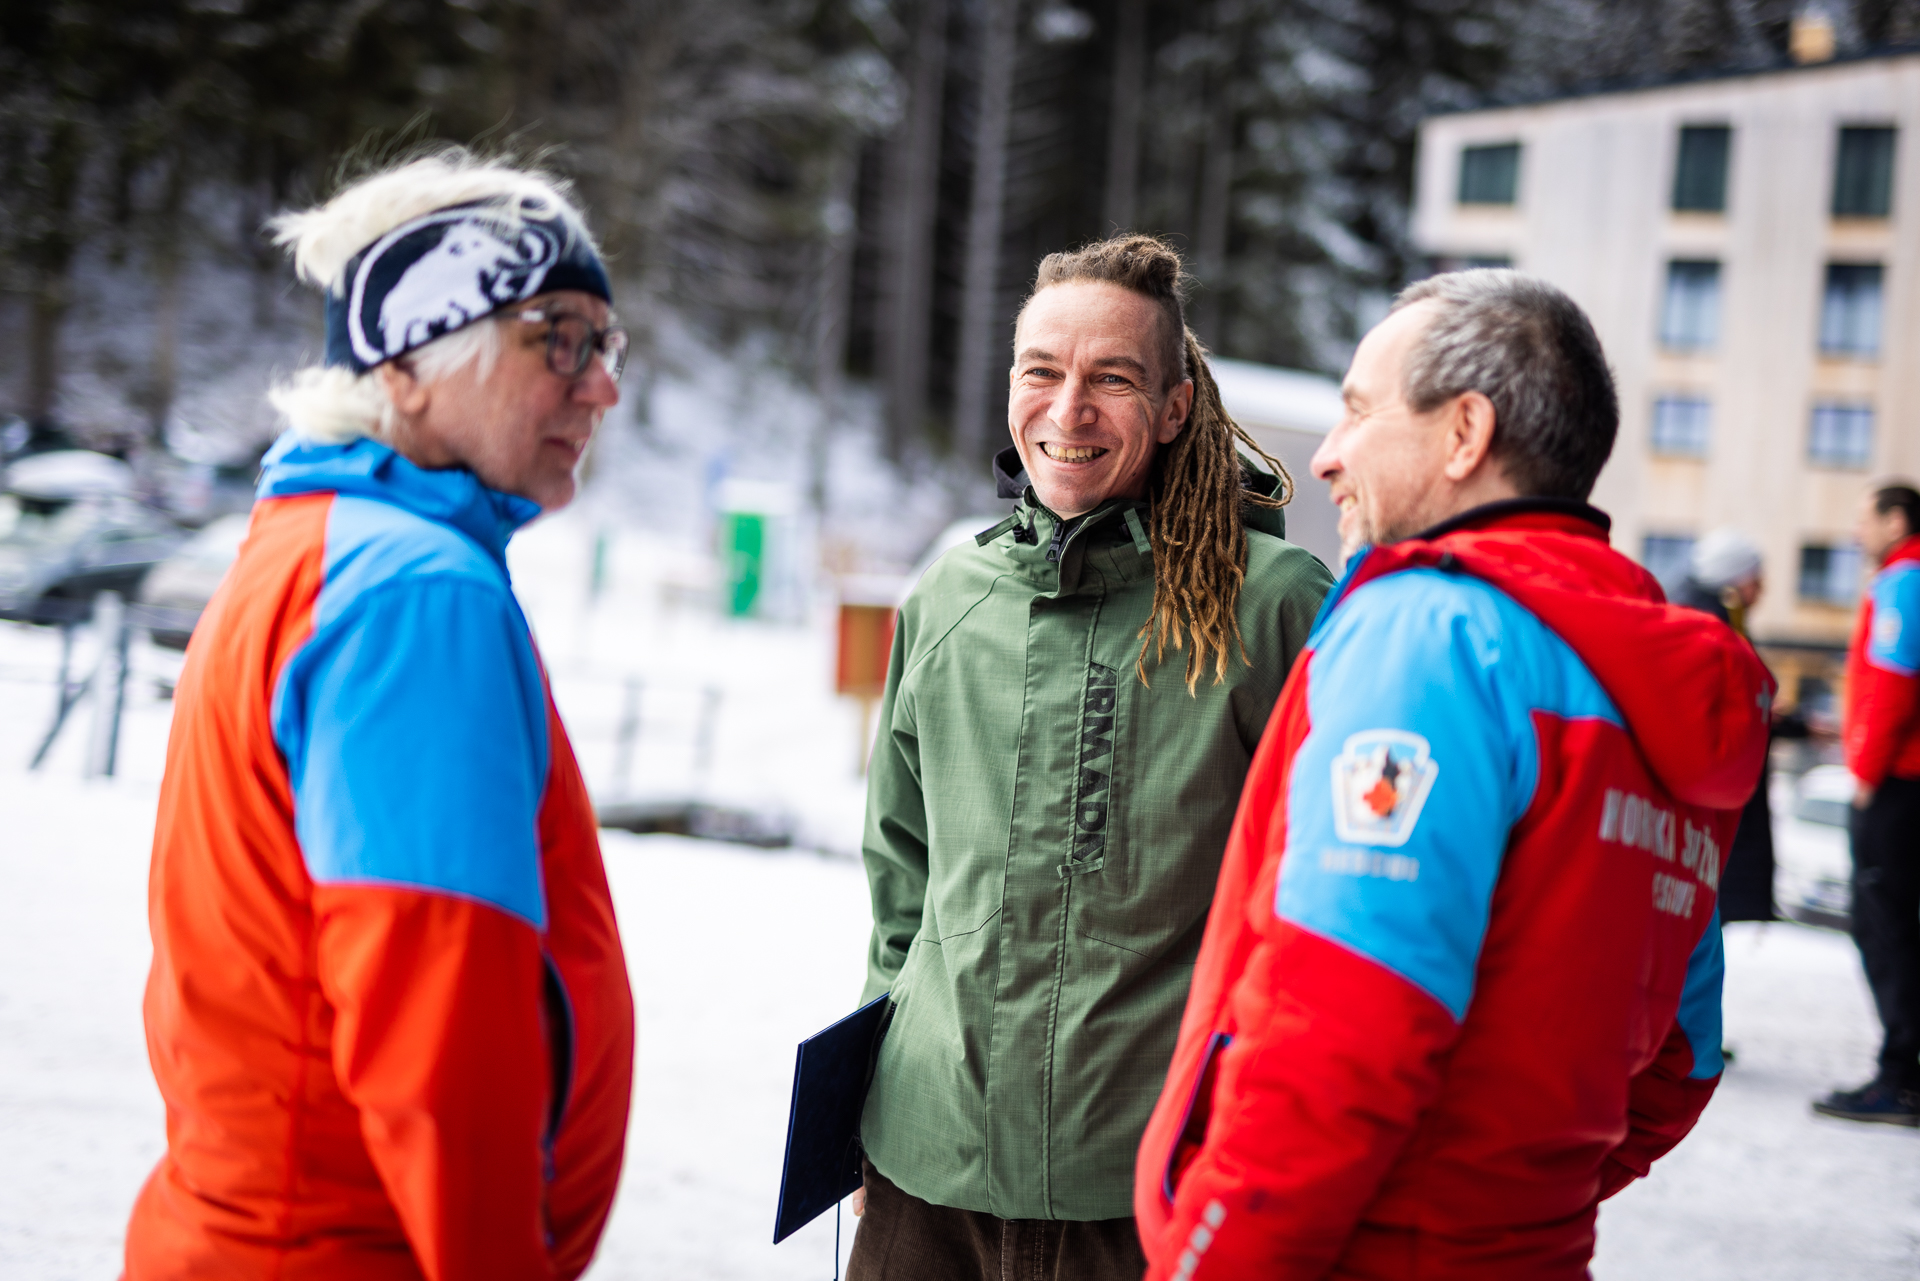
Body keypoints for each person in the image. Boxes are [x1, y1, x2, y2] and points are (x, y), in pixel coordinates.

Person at [1134, 269, 1773, 1279]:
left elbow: (1338, 1028)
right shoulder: (1642, 678)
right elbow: (1681, 1061)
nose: (1332, 457)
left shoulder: (1429, 634)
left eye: (1357, 411)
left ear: (1464, 433)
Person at [124, 151, 636, 1279]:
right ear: (407, 361)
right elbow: (439, 1023)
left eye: (606, 344)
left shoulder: (315, 549)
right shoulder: (413, 593)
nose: (599, 384)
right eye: (558, 336)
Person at [848, 235, 1333, 1280]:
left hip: (1151, 1187)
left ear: (1172, 408)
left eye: (1111, 379)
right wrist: (874, 1087)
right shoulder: (946, 601)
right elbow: (901, 881)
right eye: (1042, 373)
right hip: (926, 1176)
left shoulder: (1273, 604)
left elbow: (1316, 909)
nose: (1068, 412)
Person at [1815, 482, 1920, 1125]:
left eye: (1866, 519)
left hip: (1898, 783)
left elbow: (1893, 683)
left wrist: (1865, 772)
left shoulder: (1903, 581)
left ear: (1897, 520)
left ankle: (1901, 1076)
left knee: (1886, 927)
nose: (1858, 533)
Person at [1666, 528, 1804, 926]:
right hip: (1717, 802)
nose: (1762, 591)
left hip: (1717, 798)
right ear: (1737, 580)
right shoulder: (1710, 626)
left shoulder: (1717, 619)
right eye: (1758, 581)